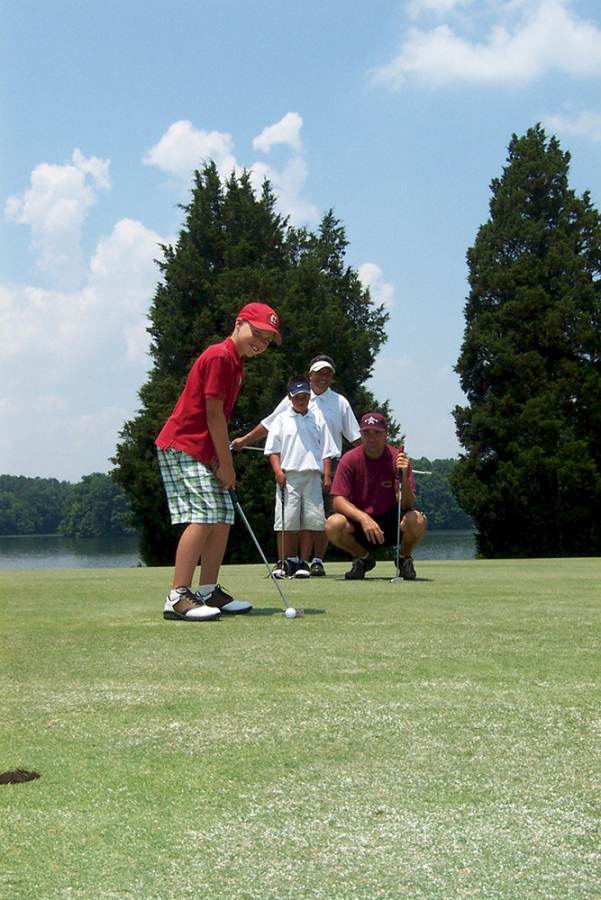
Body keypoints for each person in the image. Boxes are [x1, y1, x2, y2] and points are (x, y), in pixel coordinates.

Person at [155, 301, 282, 621]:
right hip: (181, 444)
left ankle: (208, 590)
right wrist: (226, 463)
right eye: (258, 333)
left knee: (223, 515)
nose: (261, 343)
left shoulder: (235, 364)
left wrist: (217, 458)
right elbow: (213, 414)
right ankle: (177, 595)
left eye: (268, 340)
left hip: (201, 449)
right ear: (239, 323)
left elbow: (216, 417)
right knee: (204, 513)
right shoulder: (219, 356)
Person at [231, 354, 360, 576]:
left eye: (328, 373)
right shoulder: (290, 400)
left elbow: (355, 437)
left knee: (321, 516)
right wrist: (244, 440)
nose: (323, 377)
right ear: (310, 375)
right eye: (319, 372)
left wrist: (376, 458)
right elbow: (270, 424)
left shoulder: (340, 402)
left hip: (330, 465)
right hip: (295, 467)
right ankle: (294, 561)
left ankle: (317, 560)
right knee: (293, 517)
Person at [325, 412, 427, 580]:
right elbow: (338, 500)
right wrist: (363, 518)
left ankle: (404, 559)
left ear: (386, 434)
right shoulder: (349, 459)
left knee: (417, 520)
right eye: (366, 433)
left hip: (391, 521)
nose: (371, 438)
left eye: (377, 433)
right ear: (361, 434)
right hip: (360, 523)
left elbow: (407, 503)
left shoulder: (398, 459)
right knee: (332, 524)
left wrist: (403, 477)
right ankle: (362, 558)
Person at [265, 376, 338, 578]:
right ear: (290, 397)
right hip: (289, 476)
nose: (302, 400)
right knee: (287, 521)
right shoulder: (281, 420)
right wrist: (278, 472)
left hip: (313, 475)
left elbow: (326, 450)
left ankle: (302, 562)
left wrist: (326, 474)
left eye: (305, 396)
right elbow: (273, 451)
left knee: (312, 521)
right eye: (298, 397)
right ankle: (285, 561)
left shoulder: (318, 418)